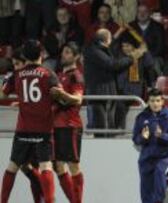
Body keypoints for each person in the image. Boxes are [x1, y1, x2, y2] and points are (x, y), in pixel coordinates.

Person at [0, 40, 62, 203]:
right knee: (45, 166)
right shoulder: (49, 74)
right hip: (44, 128)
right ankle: (49, 200)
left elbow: (2, 95)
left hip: (23, 129)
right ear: (41, 55)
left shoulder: (17, 75)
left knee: (13, 166)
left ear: (25, 56)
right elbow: (59, 97)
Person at [132, 88, 168, 203]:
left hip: (166, 157)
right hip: (146, 158)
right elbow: (135, 139)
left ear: (162, 101)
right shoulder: (141, 117)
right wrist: (143, 137)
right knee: (146, 194)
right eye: (152, 101)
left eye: (158, 101)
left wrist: (162, 136)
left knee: (159, 172)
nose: (155, 104)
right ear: (148, 102)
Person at [51, 42, 85, 203]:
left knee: (73, 166)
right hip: (56, 125)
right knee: (57, 167)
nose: (64, 54)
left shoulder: (76, 75)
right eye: (63, 51)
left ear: (76, 57)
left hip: (70, 125)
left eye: (68, 52)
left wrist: (62, 94)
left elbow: (78, 99)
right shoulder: (57, 75)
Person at [83, 28, 132, 137]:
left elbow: (110, 49)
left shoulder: (97, 49)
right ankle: (101, 147)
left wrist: (117, 33)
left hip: (106, 93)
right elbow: (113, 65)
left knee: (109, 124)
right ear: (106, 40)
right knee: (101, 125)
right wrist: (130, 59)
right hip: (99, 94)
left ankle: (108, 142)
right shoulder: (95, 51)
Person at [129, 4, 165, 75]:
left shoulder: (158, 27)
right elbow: (126, 44)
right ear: (136, 14)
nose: (142, 14)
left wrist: (147, 56)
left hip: (154, 56)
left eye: (145, 11)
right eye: (139, 12)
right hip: (135, 57)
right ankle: (134, 85)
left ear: (150, 13)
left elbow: (160, 47)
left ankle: (155, 84)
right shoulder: (130, 26)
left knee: (154, 63)